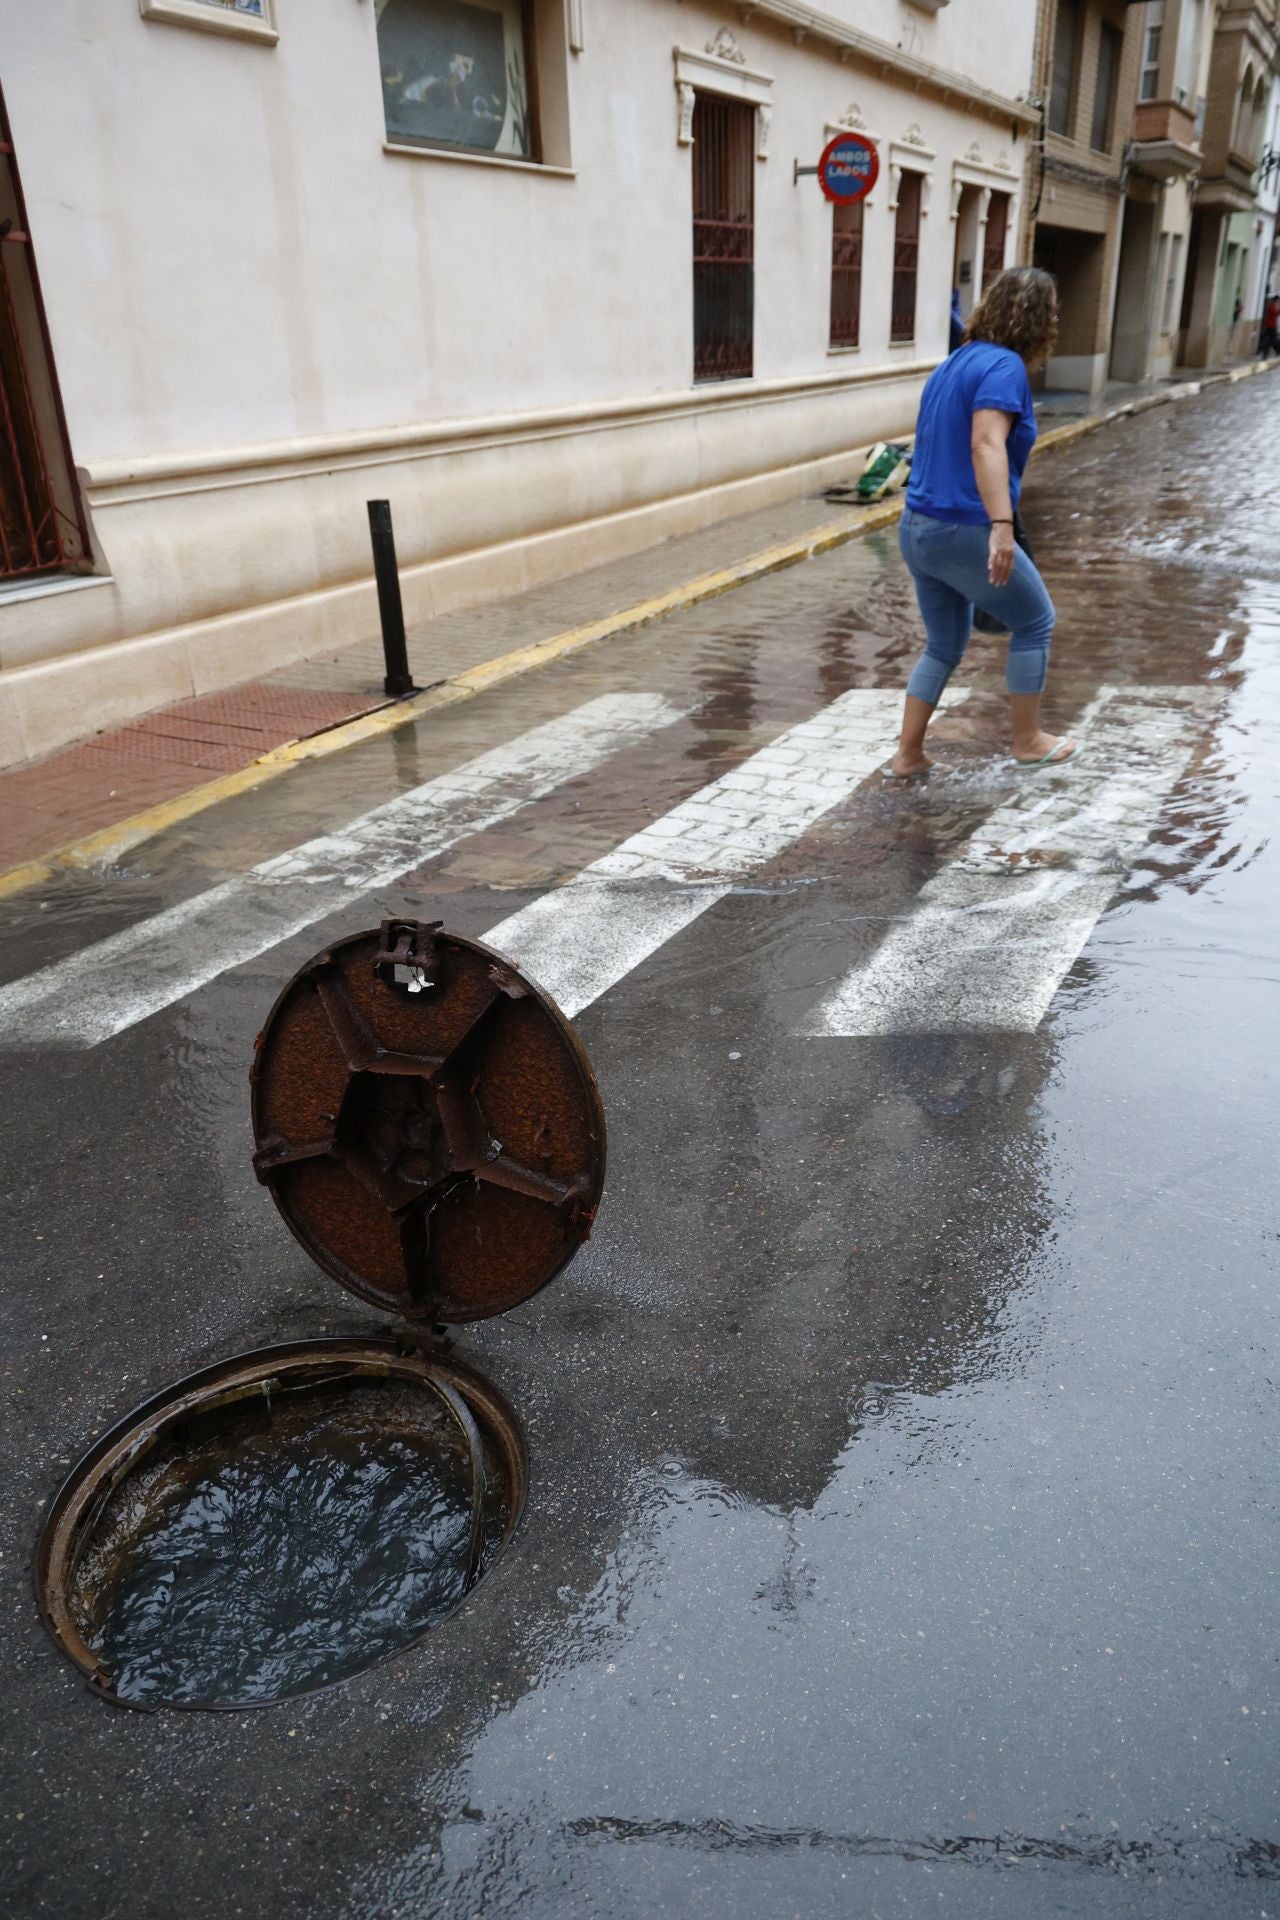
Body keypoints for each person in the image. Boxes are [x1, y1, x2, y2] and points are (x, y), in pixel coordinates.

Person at [891, 264, 1072, 776]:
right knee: (1036, 622)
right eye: (1053, 312)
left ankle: (907, 755)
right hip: (963, 528)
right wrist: (1000, 526)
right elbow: (986, 442)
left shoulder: (955, 362)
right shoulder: (1005, 367)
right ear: (1038, 320)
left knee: (944, 644)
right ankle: (1028, 740)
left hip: (917, 527)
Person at [1260, 291, 1280, 359]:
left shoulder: (1272, 305)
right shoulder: (1271, 306)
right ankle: (1274, 351)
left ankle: (1267, 353)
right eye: (1277, 300)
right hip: (1270, 325)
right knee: (1273, 339)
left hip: (1271, 325)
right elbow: (1276, 312)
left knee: (1272, 339)